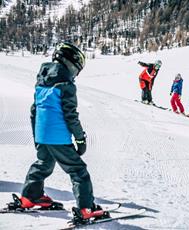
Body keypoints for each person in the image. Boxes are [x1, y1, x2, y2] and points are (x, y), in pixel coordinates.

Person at [12, 42, 105, 220]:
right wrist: (80, 138)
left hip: (42, 135)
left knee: (43, 164)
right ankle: (86, 209)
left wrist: (37, 137)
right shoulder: (66, 85)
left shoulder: (41, 82)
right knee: (78, 171)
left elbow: (34, 111)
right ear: (71, 63)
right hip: (58, 137)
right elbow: (71, 115)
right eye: (77, 69)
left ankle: (29, 197)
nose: (76, 74)